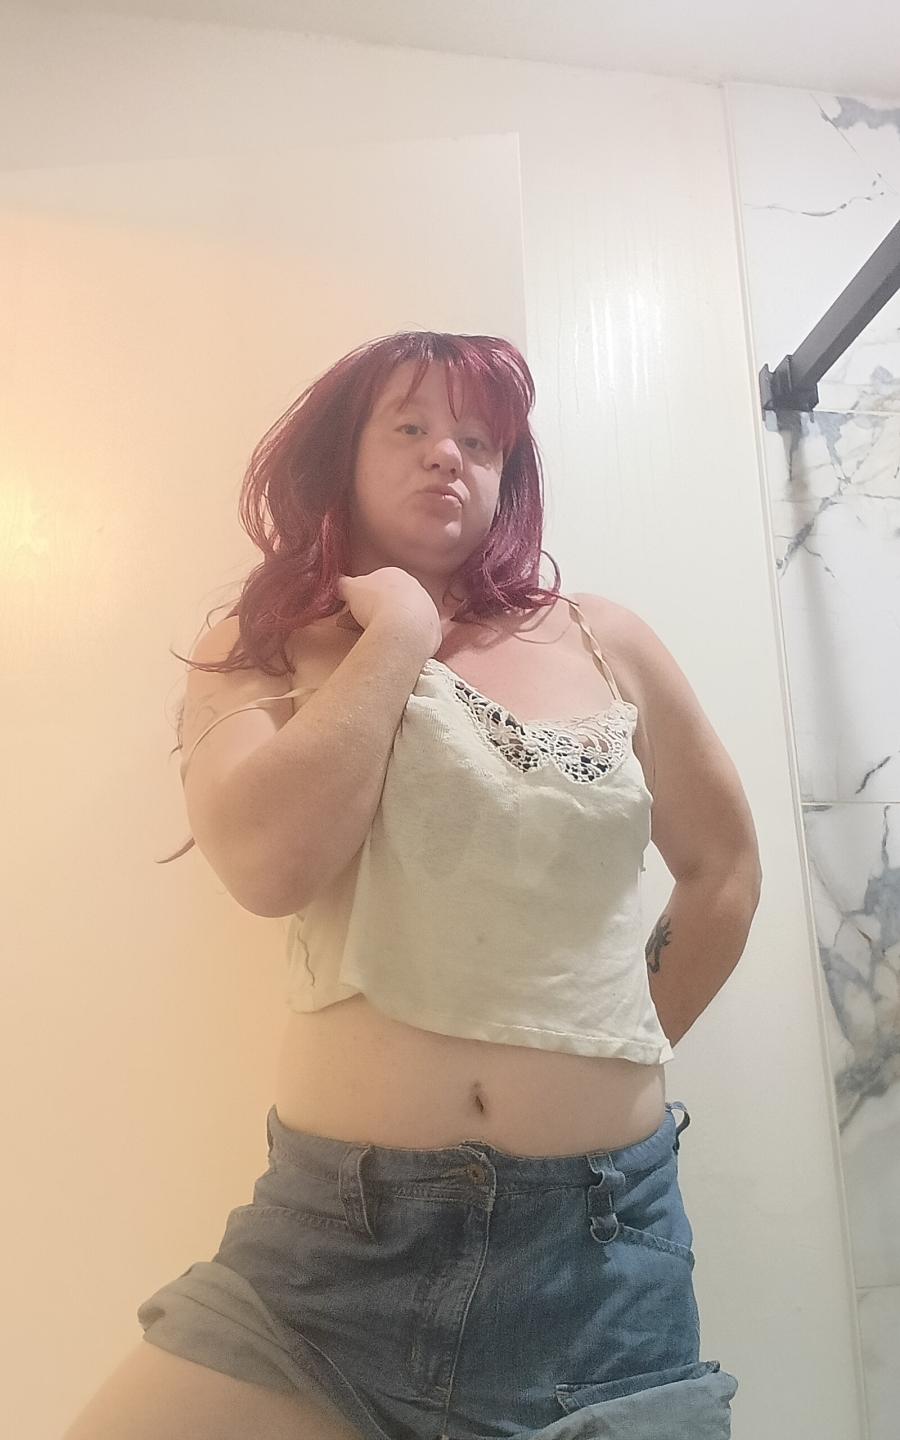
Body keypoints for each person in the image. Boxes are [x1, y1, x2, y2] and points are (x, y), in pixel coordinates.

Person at [65, 332, 758, 1439]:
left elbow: (724, 869)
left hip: (599, 1264)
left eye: (480, 441)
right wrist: (398, 633)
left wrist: (599, 1054)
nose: (449, 454)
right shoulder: (267, 644)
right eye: (412, 426)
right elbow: (267, 864)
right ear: (344, 452)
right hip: (326, 1262)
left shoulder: (605, 641)